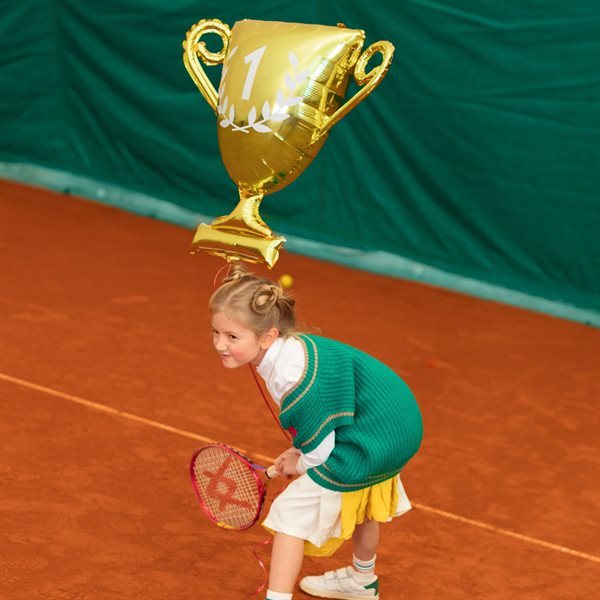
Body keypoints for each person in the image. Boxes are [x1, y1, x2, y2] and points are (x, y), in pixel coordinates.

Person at [209, 264, 423, 600]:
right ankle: (361, 582)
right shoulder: (290, 352)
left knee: (289, 514)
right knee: (363, 500)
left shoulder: (291, 377)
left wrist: (301, 462)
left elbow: (319, 454)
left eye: (233, 336)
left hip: (375, 436)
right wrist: (298, 451)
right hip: (393, 424)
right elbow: (323, 420)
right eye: (216, 332)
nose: (220, 344)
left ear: (268, 336)